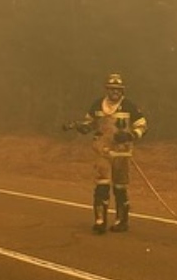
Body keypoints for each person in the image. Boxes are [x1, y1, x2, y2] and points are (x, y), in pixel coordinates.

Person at [65, 72, 148, 234]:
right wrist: (84, 127)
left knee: (120, 187)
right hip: (102, 151)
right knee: (102, 185)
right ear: (106, 90)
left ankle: (122, 221)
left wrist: (130, 135)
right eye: (111, 89)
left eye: (118, 89)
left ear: (122, 91)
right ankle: (100, 220)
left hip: (122, 153)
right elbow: (90, 123)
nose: (114, 92)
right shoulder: (97, 105)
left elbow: (143, 126)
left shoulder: (130, 106)